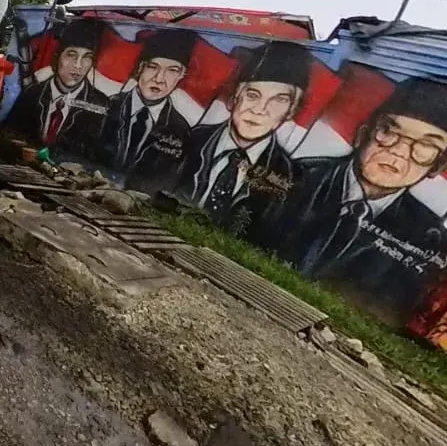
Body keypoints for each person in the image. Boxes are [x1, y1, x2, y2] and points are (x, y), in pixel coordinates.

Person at [255, 77, 447, 325]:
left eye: (426, 147)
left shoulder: (428, 236)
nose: (399, 151)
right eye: (389, 132)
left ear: (437, 165)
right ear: (363, 133)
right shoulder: (297, 175)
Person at [175, 40, 310, 226]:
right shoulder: (189, 138)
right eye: (253, 95)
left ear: (291, 111)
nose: (260, 109)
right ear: (235, 97)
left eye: (279, 100)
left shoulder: (290, 176)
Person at [97, 27, 197, 190]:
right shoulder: (107, 106)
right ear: (140, 68)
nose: (159, 79)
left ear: (181, 76)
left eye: (172, 71)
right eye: (153, 67)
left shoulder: (180, 131)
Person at [5, 17, 110, 155]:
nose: (78, 65)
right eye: (71, 55)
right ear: (57, 57)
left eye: (87, 57)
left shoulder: (100, 103)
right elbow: (8, 135)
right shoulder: (33, 94)